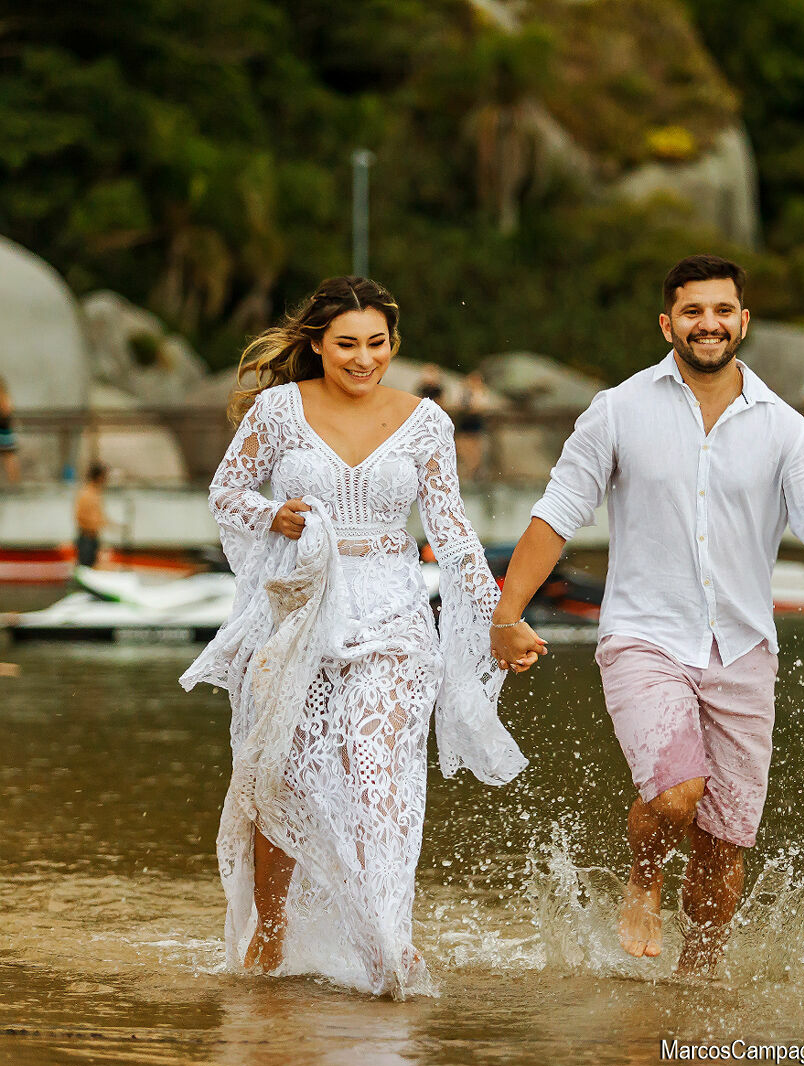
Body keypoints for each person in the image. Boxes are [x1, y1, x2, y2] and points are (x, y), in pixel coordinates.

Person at [491, 255, 804, 977]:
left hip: (742, 650)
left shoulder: (781, 426)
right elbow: (558, 513)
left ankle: (695, 984)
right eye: (694, 311)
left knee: (723, 844)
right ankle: (643, 881)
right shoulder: (618, 409)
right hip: (645, 635)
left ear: (742, 321)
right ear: (668, 323)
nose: (710, 323)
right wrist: (505, 615)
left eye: (723, 310)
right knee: (676, 794)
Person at [179, 276, 528, 999]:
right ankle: (269, 937)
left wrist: (501, 615)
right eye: (347, 345)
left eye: (377, 344)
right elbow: (226, 493)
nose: (363, 359)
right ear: (316, 344)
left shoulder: (426, 421)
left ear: (392, 345)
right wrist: (272, 515)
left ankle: (387, 937)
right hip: (300, 608)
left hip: (395, 612)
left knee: (379, 777)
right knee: (281, 773)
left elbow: (452, 531)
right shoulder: (278, 410)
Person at [454, 371, 494, 482]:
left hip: (475, 422)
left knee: (475, 448)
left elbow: (480, 407)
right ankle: (469, 470)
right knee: (462, 446)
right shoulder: (465, 393)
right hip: (465, 422)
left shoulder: (481, 393)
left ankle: (474, 472)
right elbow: (460, 404)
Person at [73, 462, 110, 567]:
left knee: (93, 566)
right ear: (98, 477)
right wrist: (93, 523)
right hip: (86, 538)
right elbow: (79, 516)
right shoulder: (86, 494)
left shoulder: (97, 494)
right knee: (85, 567)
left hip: (94, 537)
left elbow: (100, 515)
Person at [0, 375, 19, 486]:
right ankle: (13, 483)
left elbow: (7, 412)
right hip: (5, 429)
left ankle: (14, 483)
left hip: (4, 430)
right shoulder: (6, 397)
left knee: (9, 458)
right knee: (10, 458)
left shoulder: (5, 398)